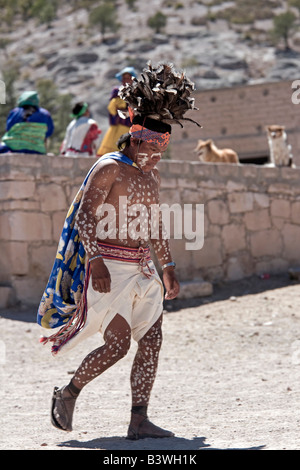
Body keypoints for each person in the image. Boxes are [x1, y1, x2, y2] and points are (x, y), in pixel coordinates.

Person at [38, 62, 199, 440]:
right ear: (139, 140)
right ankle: (68, 393)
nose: (158, 158)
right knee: (118, 345)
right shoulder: (108, 167)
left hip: (142, 269)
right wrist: (95, 261)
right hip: (108, 267)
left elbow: (153, 223)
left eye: (163, 150)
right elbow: (85, 216)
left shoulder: (152, 175)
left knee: (153, 338)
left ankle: (138, 418)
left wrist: (169, 265)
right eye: (155, 149)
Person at [96, 66, 137, 157]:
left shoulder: (136, 92)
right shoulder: (117, 91)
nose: (126, 80)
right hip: (118, 124)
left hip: (129, 126)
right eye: (124, 78)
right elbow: (112, 107)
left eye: (128, 78)